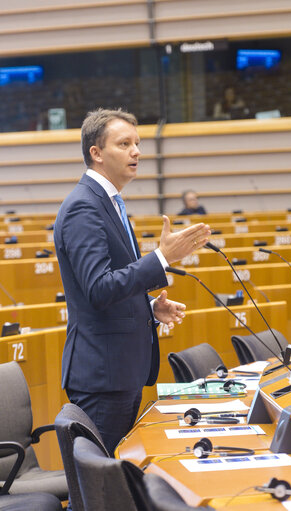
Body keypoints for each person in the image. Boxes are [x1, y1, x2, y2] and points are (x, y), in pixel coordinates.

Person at [54, 108, 210, 458]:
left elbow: (111, 287)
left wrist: (148, 309)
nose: (137, 151)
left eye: (137, 144)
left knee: (115, 483)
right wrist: (161, 258)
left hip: (120, 371)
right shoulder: (84, 207)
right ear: (96, 152)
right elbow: (97, 288)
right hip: (102, 375)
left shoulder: (110, 204)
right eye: (124, 144)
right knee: (100, 490)